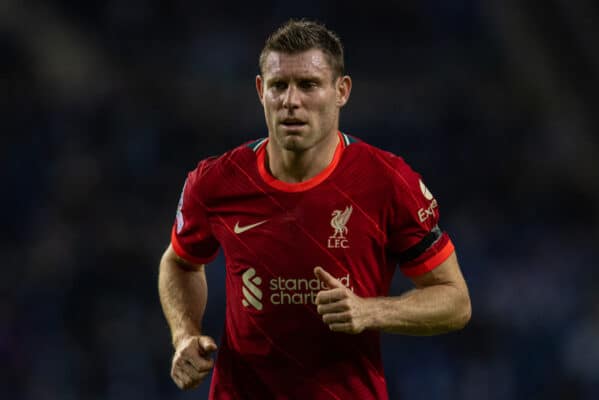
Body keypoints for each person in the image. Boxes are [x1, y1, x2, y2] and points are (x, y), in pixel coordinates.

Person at [158, 18, 471, 400]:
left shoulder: (387, 181)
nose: (291, 101)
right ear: (260, 91)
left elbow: (455, 301)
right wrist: (185, 334)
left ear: (342, 91)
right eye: (278, 86)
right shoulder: (215, 181)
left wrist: (370, 312)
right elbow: (180, 261)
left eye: (308, 85)